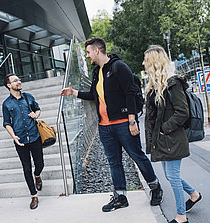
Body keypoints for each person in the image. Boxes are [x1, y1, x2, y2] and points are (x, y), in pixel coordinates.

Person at [60, 37, 163, 212]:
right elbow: (94, 95)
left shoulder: (118, 67)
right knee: (114, 162)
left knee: (137, 156)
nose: (87, 56)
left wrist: (132, 120)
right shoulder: (97, 72)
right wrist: (74, 92)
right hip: (105, 126)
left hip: (124, 123)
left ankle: (155, 187)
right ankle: (120, 197)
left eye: (88, 52)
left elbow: (130, 93)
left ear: (97, 51)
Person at [143, 45, 202, 223]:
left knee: (173, 177)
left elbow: (182, 112)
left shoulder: (173, 83)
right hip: (165, 139)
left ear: (154, 62)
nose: (143, 63)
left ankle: (181, 217)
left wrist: (164, 129)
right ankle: (194, 194)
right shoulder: (156, 86)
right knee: (170, 176)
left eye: (146, 60)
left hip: (173, 138)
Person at [2, 73, 44, 210]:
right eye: (15, 81)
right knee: (26, 167)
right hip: (20, 140)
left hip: (34, 136)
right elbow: (7, 123)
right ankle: (34, 196)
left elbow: (38, 109)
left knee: (40, 164)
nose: (19, 82)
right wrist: (13, 136)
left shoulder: (28, 97)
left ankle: (37, 175)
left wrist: (35, 114)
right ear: (9, 85)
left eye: (19, 79)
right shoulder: (6, 104)